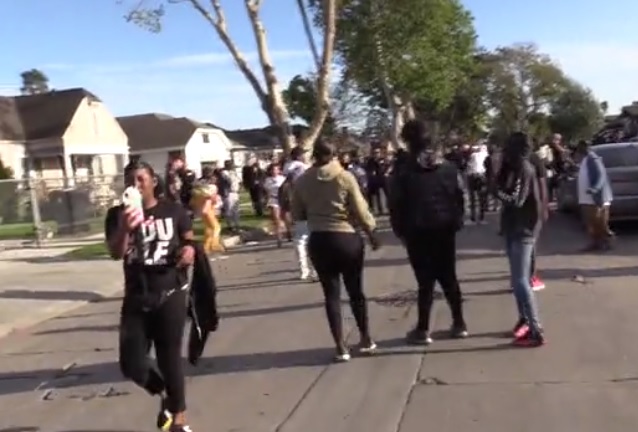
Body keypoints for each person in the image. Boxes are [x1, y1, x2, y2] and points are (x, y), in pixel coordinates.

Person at [105, 160, 195, 431]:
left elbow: (189, 240)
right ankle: (163, 392)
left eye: (140, 179)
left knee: (170, 358)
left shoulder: (173, 210)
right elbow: (116, 253)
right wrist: (125, 227)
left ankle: (179, 419)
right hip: (137, 295)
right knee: (131, 364)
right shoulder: (116, 214)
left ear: (153, 182)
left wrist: (190, 251)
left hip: (170, 291)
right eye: (129, 180)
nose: (135, 185)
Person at [292, 139, 379, 362]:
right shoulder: (344, 177)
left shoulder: (302, 181)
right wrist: (371, 233)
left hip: (320, 239)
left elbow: (298, 214)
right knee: (355, 291)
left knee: (331, 294)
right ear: (334, 155)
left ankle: (340, 346)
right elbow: (360, 209)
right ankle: (366, 338)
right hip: (346, 237)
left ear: (314, 155)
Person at [388, 120, 467, 345]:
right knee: (449, 276)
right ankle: (459, 323)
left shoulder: (402, 171)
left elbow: (396, 203)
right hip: (444, 227)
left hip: (416, 230)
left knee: (425, 280)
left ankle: (423, 329)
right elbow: (459, 196)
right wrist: (457, 220)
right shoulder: (448, 167)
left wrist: (399, 230)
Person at [496, 132, 545, 347]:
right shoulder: (513, 168)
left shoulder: (524, 169)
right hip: (514, 228)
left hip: (523, 230)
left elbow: (516, 200)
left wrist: (495, 191)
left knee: (521, 280)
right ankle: (525, 320)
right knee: (517, 280)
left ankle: (536, 329)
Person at [282, 146, 316, 280]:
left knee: (300, 240)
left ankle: (303, 270)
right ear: (299, 156)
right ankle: (314, 269)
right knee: (312, 239)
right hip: (309, 205)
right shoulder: (303, 168)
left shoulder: (286, 171)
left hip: (295, 206)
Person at [574, 140, 613, 251]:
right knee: (591, 222)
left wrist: (595, 189)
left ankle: (606, 242)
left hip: (596, 198)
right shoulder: (586, 160)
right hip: (587, 198)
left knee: (599, 222)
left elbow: (601, 176)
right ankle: (596, 243)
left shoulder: (593, 159)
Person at [263, 163, 289, 247]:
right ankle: (279, 238)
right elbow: (267, 192)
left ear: (279, 170)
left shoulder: (283, 179)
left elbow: (287, 189)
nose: (274, 171)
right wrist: (266, 201)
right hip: (273, 199)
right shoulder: (267, 180)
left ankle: (288, 232)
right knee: (276, 219)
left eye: (276, 169)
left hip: (283, 200)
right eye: (273, 169)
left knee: (286, 218)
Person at [466, 144, 489, 224]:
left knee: (472, 197)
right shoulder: (486, 155)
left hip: (472, 176)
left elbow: (469, 166)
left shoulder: (473, 155)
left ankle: (473, 218)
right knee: (481, 198)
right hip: (482, 176)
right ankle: (481, 218)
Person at [221, 160, 241, 233]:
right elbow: (229, 180)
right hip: (229, 193)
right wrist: (232, 174)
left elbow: (239, 181)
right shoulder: (224, 172)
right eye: (230, 165)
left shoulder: (233, 172)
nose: (232, 166)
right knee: (229, 210)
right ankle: (230, 226)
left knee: (236, 210)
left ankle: (237, 225)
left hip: (235, 192)